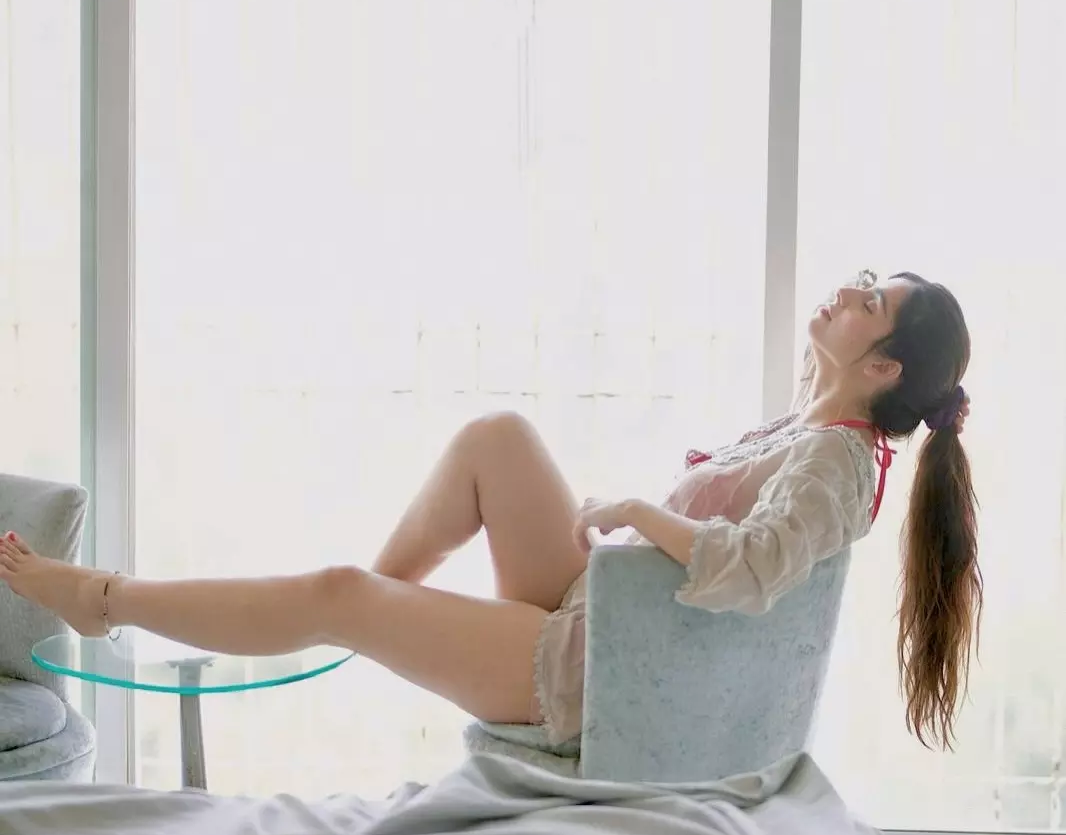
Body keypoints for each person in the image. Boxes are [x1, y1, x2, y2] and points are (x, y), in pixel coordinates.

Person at [0, 270, 980, 751]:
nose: (848, 289)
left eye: (870, 302)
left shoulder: (834, 459)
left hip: (601, 670)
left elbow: (756, 566)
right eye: (864, 279)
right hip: (604, 608)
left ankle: (108, 599)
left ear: (884, 368)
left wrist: (639, 508)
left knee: (337, 592)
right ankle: (370, 609)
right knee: (498, 436)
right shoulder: (814, 429)